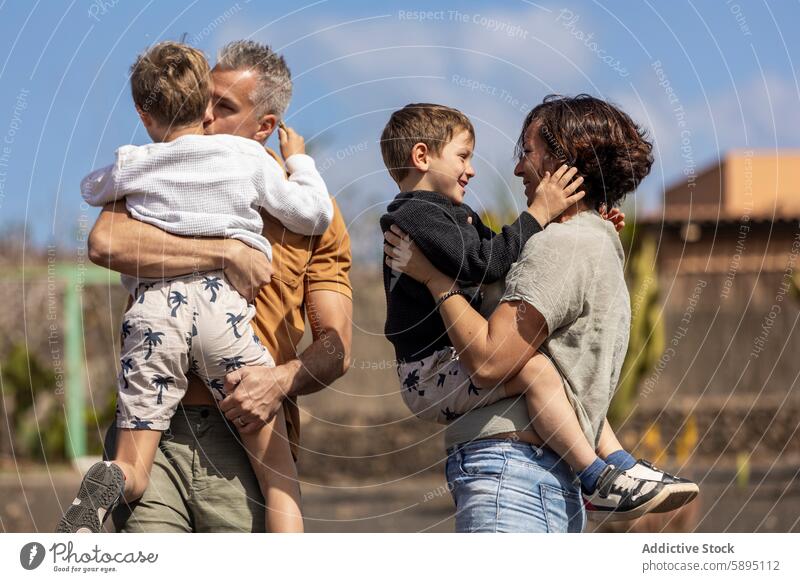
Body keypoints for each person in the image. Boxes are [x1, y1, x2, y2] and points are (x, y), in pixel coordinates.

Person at [384, 94, 698, 532]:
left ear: (561, 164)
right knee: (540, 372)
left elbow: (494, 274)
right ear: (422, 157)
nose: (512, 169)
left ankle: (613, 468)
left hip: (515, 476)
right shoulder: (418, 214)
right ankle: (605, 472)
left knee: (549, 376)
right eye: (463, 156)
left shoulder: (560, 242)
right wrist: (540, 216)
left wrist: (440, 280)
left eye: (526, 152)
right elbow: (491, 269)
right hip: (491, 443)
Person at [58, 41, 335, 533]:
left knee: (130, 469)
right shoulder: (250, 163)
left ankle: (110, 477)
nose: (207, 116)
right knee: (280, 482)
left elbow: (90, 193)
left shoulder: (142, 163)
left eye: (223, 106)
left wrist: (279, 382)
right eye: (204, 101)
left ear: (265, 126)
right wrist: (299, 167)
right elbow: (104, 242)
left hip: (154, 319)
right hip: (219, 320)